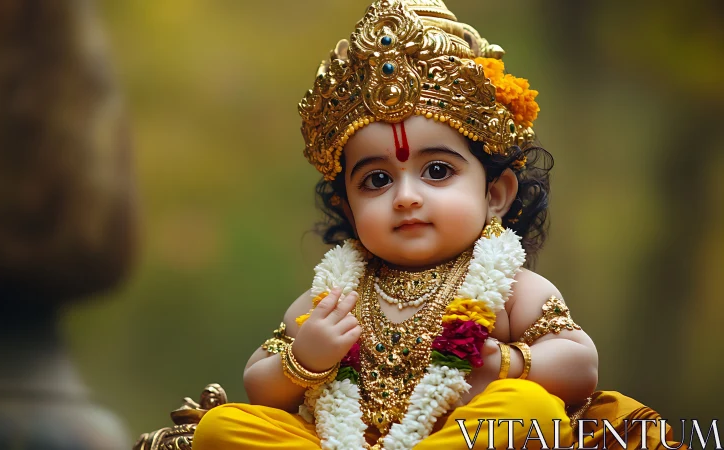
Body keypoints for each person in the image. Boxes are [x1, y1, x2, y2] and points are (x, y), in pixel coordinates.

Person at [193, 1, 686, 448]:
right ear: (349, 209)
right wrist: (305, 360)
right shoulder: (333, 297)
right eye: (378, 179)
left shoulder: (513, 288)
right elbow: (258, 383)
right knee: (223, 427)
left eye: (437, 171)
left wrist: (505, 363)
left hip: (462, 436)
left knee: (527, 410)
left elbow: (581, 366)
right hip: (343, 440)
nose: (406, 197)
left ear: (495, 194)